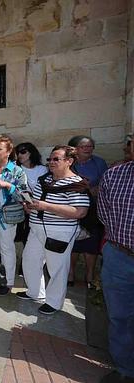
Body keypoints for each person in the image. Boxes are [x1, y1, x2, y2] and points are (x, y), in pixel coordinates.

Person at [17, 146, 90, 315]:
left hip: (60, 232)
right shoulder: (45, 180)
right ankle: (35, 292)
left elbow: (80, 211)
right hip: (36, 229)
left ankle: (54, 302)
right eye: (50, 159)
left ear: (69, 161)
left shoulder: (76, 183)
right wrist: (30, 207)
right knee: (30, 261)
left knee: (57, 268)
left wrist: (46, 206)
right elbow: (37, 203)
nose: (51, 162)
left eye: (56, 159)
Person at [97, 140, 134, 383]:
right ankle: (125, 370)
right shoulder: (115, 175)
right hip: (119, 255)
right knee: (119, 316)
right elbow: (104, 212)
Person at [0, 135, 27, 296]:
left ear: (8, 152)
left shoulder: (17, 171)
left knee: (7, 247)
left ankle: (7, 282)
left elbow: (24, 195)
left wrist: (7, 185)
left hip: (7, 216)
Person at [67, 135, 108, 288]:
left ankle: (89, 274)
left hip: (92, 209)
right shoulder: (68, 163)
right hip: (71, 208)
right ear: (74, 149)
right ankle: (70, 272)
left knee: (91, 242)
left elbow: (106, 183)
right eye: (84, 146)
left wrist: (93, 190)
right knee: (73, 242)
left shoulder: (99, 163)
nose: (88, 149)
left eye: (90, 146)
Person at [15, 142, 48, 250]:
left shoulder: (42, 169)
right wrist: (25, 203)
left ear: (31, 153)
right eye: (18, 152)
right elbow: (20, 190)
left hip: (39, 207)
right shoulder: (16, 169)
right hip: (23, 207)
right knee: (24, 238)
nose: (20, 155)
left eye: (23, 152)